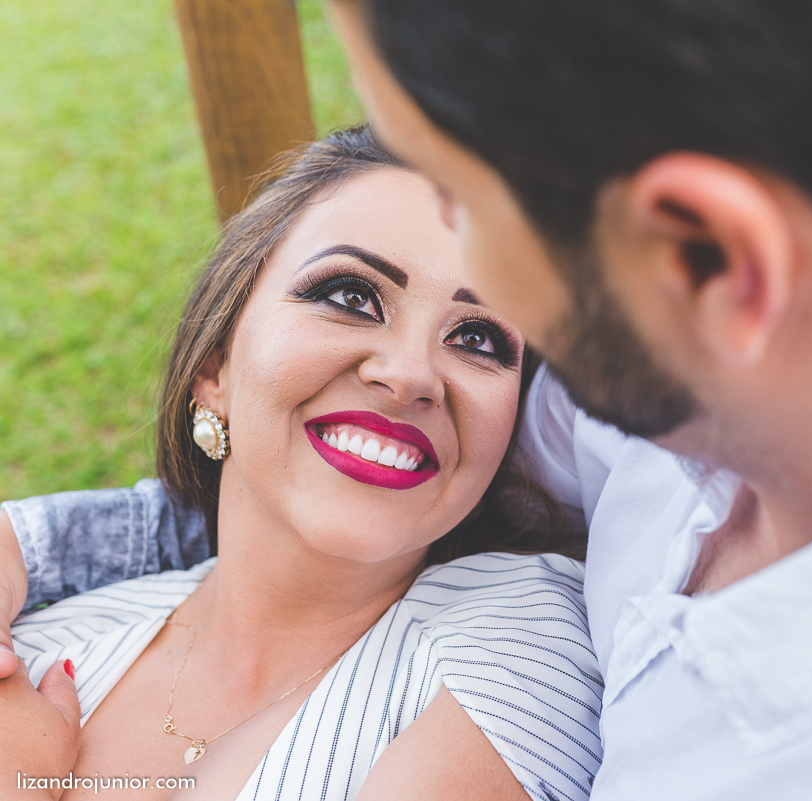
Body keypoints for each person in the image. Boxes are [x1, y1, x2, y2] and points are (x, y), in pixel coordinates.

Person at [4, 0, 812, 798]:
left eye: (459, 190)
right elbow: (325, 473)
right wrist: (27, 543)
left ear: (705, 259)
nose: (421, 361)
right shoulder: (768, 331)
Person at [0, 126, 601, 801]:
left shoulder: (520, 638)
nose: (410, 375)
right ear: (213, 366)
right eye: (351, 296)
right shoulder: (35, 643)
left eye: (477, 337)